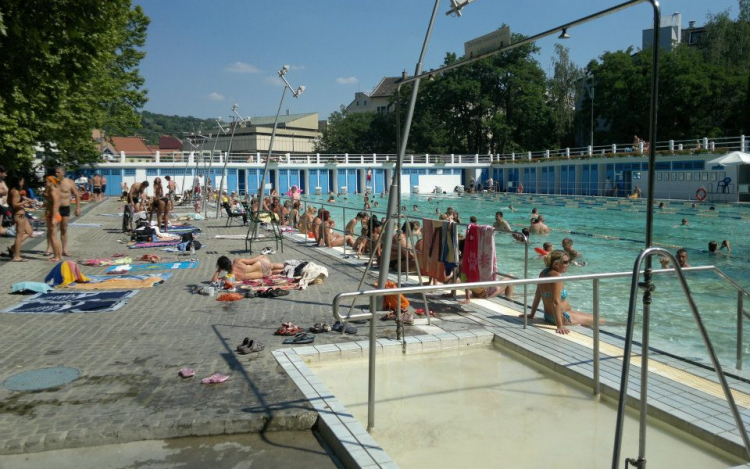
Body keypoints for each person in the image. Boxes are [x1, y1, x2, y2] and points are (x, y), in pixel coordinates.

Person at [522, 250, 602, 334]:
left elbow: (538, 294)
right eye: (566, 262)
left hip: (549, 316)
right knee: (600, 321)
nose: (568, 264)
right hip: (561, 317)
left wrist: (532, 314)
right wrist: (559, 326)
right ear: (556, 264)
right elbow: (555, 302)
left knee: (591, 318)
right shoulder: (557, 276)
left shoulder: (544, 272)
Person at [54, 166, 81, 257]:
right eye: (56, 172)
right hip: (55, 208)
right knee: (52, 229)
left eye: (58, 172)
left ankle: (65, 249)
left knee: (64, 229)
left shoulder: (70, 182)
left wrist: (78, 208)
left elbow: (77, 195)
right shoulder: (53, 182)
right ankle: (50, 249)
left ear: (63, 173)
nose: (56, 174)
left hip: (65, 208)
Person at [6, 175, 34, 261]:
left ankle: (13, 248)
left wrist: (24, 202)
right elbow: (14, 205)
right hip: (19, 215)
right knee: (19, 235)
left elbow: (15, 202)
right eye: (22, 181)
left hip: (21, 214)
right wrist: (25, 202)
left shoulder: (15, 191)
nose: (23, 183)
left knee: (29, 232)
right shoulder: (15, 192)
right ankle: (16, 256)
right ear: (18, 182)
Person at [212, 255, 284, 282]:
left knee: (272, 271)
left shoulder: (230, 276)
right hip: (261, 264)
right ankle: (286, 265)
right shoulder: (237, 261)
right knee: (271, 265)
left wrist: (219, 270)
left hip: (264, 274)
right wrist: (262, 256)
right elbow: (251, 260)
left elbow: (214, 281)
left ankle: (285, 270)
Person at [44, 175, 63, 261]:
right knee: (54, 236)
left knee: (53, 237)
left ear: (51, 182)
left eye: (46, 182)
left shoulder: (53, 191)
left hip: (53, 215)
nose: (45, 183)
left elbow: (55, 204)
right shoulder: (55, 190)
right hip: (53, 215)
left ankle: (57, 256)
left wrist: (53, 218)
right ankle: (58, 255)